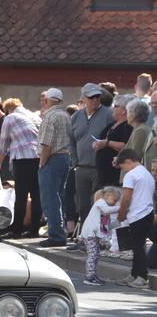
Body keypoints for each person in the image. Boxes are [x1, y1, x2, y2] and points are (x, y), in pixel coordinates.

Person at [0, 98, 42, 239]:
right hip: (38, 157)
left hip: (22, 159)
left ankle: (17, 230)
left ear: (7, 109)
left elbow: (3, 143)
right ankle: (34, 229)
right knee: (36, 195)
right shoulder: (33, 116)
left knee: (21, 195)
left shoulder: (10, 117)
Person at [69, 83, 114, 233]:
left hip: (100, 167)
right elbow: (71, 141)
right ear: (83, 98)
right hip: (82, 168)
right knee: (82, 206)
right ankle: (86, 236)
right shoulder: (76, 116)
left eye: (97, 97)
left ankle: (102, 235)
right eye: (91, 97)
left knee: (100, 204)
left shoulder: (108, 114)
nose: (95, 100)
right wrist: (75, 162)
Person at [114, 148, 154, 289]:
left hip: (137, 215)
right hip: (147, 212)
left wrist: (121, 213)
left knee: (137, 247)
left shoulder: (131, 175)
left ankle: (142, 276)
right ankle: (134, 274)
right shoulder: (146, 173)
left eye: (123, 166)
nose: (123, 170)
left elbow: (126, 197)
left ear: (128, 162)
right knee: (138, 246)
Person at [38, 88, 73, 248]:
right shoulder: (66, 115)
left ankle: (56, 235)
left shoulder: (49, 116)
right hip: (65, 157)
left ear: (48, 100)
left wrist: (42, 162)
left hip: (52, 158)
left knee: (50, 198)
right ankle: (59, 232)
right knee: (58, 197)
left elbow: (46, 144)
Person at [80, 187, 122, 285]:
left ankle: (92, 274)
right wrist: (121, 207)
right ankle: (89, 277)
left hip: (92, 234)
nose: (115, 203)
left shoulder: (104, 212)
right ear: (107, 196)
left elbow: (107, 227)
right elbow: (108, 210)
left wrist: (119, 222)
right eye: (114, 200)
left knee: (96, 254)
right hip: (89, 233)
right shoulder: (100, 203)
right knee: (93, 254)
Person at [95, 94, 134, 187]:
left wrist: (107, 143)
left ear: (124, 110)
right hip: (103, 172)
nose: (112, 108)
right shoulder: (112, 124)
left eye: (116, 106)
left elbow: (126, 146)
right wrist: (96, 144)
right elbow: (101, 138)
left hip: (114, 171)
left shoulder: (127, 126)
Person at [123, 99, 151, 181]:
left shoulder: (140, 130)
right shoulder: (138, 129)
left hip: (135, 178)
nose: (126, 115)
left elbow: (136, 156)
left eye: (128, 112)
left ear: (133, 114)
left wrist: (119, 160)